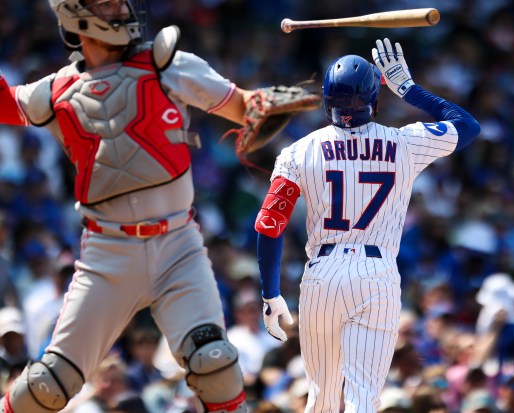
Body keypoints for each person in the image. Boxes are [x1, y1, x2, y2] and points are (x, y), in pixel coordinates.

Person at [0, 0, 313, 411]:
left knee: (215, 364)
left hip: (178, 247)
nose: (121, 9)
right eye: (108, 3)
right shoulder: (55, 91)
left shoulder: (167, 63)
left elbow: (242, 105)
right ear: (75, 12)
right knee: (47, 386)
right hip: (106, 256)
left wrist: (264, 104)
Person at [254, 38, 480, 412]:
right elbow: (467, 126)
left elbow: (269, 224)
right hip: (377, 274)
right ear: (375, 99)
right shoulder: (405, 142)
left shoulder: (299, 150)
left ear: (327, 99)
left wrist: (270, 291)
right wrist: (409, 89)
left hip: (322, 273)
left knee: (322, 398)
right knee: (363, 400)